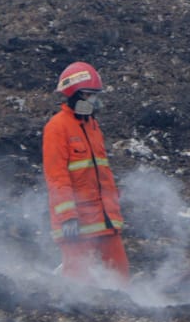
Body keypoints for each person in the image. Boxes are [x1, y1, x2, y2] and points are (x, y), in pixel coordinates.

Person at [43, 61, 130, 286]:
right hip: (76, 224)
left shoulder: (92, 125)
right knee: (79, 283)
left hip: (105, 219)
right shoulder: (57, 127)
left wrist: (114, 208)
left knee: (120, 276)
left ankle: (127, 316)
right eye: (90, 95)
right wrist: (67, 217)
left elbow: (102, 172)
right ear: (75, 95)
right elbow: (57, 177)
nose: (95, 101)